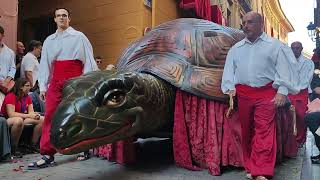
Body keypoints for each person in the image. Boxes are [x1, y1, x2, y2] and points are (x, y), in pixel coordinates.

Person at [221, 11, 299, 180]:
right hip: (243, 94)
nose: (245, 26)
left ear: (261, 24)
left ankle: (261, 171)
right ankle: (250, 166)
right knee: (246, 132)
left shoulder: (275, 46)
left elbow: (284, 70)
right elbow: (229, 71)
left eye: (250, 22)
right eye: (244, 22)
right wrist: (229, 88)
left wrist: (282, 91)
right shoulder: (236, 49)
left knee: (264, 131)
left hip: (266, 94)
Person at [28, 8, 98, 169]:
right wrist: (44, 87)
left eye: (64, 15)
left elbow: (88, 59)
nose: (61, 18)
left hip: (76, 79)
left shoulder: (79, 37)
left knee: (79, 114)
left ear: (69, 19)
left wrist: (87, 82)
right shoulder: (49, 40)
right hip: (56, 80)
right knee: (50, 115)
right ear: (54, 19)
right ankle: (47, 154)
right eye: (58, 16)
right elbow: (45, 64)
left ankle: (84, 147)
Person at [1, 78, 44, 157]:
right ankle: (13, 148)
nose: (29, 88)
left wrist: (35, 115)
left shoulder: (27, 97)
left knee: (42, 119)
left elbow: (31, 112)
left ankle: (32, 145)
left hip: (22, 118)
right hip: (6, 120)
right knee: (18, 121)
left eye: (29, 86)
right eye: (27, 86)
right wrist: (29, 115)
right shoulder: (11, 96)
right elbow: (11, 114)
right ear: (21, 87)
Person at [288, 41, 314, 147]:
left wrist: (297, 87)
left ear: (301, 49)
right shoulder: (287, 62)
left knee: (300, 116)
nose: (295, 50)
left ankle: (301, 139)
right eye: (293, 48)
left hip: (302, 92)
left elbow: (308, 79)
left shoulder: (308, 63)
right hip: (290, 92)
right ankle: (292, 140)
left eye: (297, 48)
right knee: (289, 116)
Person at [0, 25, 16, 108]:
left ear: (3, 35)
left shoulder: (10, 52)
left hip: (4, 84)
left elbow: (12, 68)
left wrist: (7, 80)